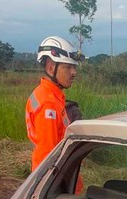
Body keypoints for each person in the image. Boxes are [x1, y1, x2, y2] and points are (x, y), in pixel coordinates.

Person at [25, 36, 84, 171]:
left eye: (74, 67)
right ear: (51, 68)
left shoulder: (50, 95)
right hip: (54, 180)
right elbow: (48, 156)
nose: (74, 72)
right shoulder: (48, 104)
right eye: (68, 67)